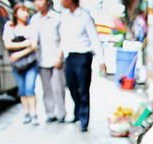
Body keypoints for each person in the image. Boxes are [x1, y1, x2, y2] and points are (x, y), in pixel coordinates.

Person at [59, 0, 106, 132]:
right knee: (72, 86)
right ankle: (77, 112)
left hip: (83, 56)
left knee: (83, 89)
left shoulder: (85, 17)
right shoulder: (64, 16)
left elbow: (94, 39)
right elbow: (63, 38)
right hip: (70, 57)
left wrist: (101, 61)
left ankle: (84, 119)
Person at [31, 0, 67, 123]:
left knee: (58, 88)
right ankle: (50, 113)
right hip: (41, 59)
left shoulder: (57, 18)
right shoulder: (34, 19)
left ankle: (61, 113)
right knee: (46, 89)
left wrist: (60, 56)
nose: (37, 3)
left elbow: (63, 39)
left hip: (56, 58)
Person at [3, 3, 39, 125]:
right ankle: (27, 113)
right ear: (16, 13)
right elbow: (7, 44)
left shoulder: (31, 27)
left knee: (30, 88)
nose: (26, 14)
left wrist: (18, 54)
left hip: (30, 63)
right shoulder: (9, 27)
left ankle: (34, 114)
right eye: (22, 11)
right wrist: (26, 43)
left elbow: (34, 46)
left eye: (27, 11)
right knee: (22, 90)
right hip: (16, 66)